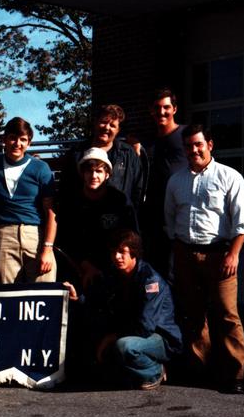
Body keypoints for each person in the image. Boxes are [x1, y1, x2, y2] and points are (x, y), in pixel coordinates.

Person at [165, 125, 244, 394]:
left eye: (198, 145)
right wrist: (179, 252)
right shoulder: (176, 181)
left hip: (220, 255)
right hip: (186, 254)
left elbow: (242, 222)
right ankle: (199, 368)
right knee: (194, 314)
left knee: (227, 314)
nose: (194, 150)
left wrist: (233, 254)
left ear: (210, 145)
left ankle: (236, 373)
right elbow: (169, 219)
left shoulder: (229, 177)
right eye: (189, 146)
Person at [67, 229, 182, 390]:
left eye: (122, 252)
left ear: (134, 253)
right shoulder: (115, 273)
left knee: (125, 346)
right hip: (135, 333)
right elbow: (97, 299)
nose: (117, 257)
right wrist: (78, 297)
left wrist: (111, 337)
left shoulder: (150, 280)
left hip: (161, 337)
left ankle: (155, 371)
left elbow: (145, 327)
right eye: (114, 252)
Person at [0, 117, 56, 284]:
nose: (17, 143)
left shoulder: (40, 167)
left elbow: (51, 212)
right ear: (4, 139)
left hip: (34, 235)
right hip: (4, 235)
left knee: (42, 293)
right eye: (13, 138)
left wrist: (48, 248)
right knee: (7, 296)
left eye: (23, 139)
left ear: (29, 143)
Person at [57, 147, 137, 289]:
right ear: (82, 173)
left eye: (99, 171)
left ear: (107, 174)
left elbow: (132, 236)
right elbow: (65, 241)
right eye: (89, 171)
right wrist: (85, 266)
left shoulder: (120, 201)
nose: (94, 176)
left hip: (115, 264)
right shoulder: (71, 202)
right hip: (79, 266)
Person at [141, 88, 188, 278]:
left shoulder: (186, 135)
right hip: (156, 214)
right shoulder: (148, 141)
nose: (162, 112)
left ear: (174, 109)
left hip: (182, 211)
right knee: (158, 269)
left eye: (166, 107)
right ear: (151, 111)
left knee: (179, 270)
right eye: (157, 108)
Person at [66, 105, 144, 210]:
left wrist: (131, 218)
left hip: (120, 218)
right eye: (103, 122)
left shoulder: (129, 155)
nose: (107, 127)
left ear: (118, 130)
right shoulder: (77, 154)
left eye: (112, 125)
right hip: (83, 218)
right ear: (95, 122)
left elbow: (138, 190)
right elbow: (66, 190)